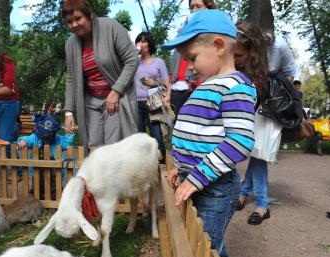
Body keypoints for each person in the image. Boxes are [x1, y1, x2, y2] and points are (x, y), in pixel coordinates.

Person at [163, 10, 257, 257]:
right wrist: (179, 168)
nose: (190, 66)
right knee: (210, 248)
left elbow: (239, 142)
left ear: (218, 46)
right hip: (199, 181)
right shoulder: (208, 84)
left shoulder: (235, 86)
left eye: (192, 58)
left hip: (215, 190)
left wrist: (195, 179)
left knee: (205, 254)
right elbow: (196, 133)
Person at [237, 22, 297, 225]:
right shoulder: (243, 49)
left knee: (260, 152)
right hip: (252, 98)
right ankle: (244, 191)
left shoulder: (279, 45)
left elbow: (290, 73)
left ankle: (262, 204)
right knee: (256, 150)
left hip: (271, 102)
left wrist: (275, 92)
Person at [62, 0, 139, 148]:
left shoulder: (110, 27)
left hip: (115, 99)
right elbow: (71, 80)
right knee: (94, 145)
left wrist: (116, 91)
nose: (74, 25)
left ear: (89, 15)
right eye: (69, 22)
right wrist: (68, 112)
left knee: (113, 146)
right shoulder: (70, 44)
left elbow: (132, 60)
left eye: (78, 19)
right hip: (91, 102)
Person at [234, 21, 273, 225]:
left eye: (239, 56)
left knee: (258, 157)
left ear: (252, 51)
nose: (235, 60)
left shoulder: (261, 69)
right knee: (255, 155)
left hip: (263, 116)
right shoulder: (240, 66)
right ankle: (243, 193)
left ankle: (262, 204)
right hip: (251, 115)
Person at [168, 0, 217, 116]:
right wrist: (168, 92)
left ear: (208, 7)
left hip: (200, 88)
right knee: (177, 125)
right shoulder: (184, 30)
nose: (194, 10)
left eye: (198, 6)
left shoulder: (214, 30)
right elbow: (176, 61)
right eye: (192, 7)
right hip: (177, 87)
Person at [134, 31, 170, 162]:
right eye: (139, 41)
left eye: (144, 41)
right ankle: (143, 164)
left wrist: (155, 83)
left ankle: (161, 164)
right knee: (139, 135)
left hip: (154, 102)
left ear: (150, 44)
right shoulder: (133, 62)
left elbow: (167, 83)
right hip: (136, 103)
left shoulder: (158, 62)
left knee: (156, 134)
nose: (141, 44)